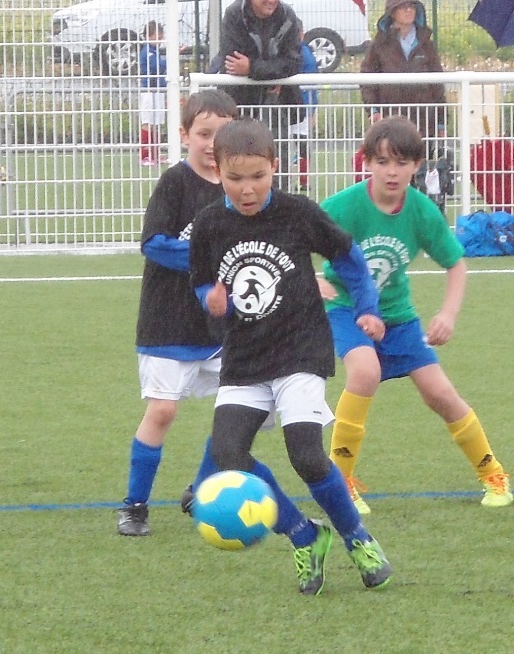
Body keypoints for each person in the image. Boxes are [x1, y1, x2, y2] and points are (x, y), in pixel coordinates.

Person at [187, 117, 392, 595]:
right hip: (244, 357)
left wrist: (367, 307)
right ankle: (303, 535)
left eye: (258, 176)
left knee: (306, 456)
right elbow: (201, 281)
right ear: (217, 171)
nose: (248, 188)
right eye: (235, 178)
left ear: (274, 167)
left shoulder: (298, 212)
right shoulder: (209, 224)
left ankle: (358, 539)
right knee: (228, 454)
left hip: (301, 350)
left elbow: (348, 257)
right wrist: (210, 301)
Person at [321, 116, 513, 514]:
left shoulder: (422, 211)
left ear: (417, 165)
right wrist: (311, 281)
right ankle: (341, 485)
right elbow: (291, 241)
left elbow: (456, 264)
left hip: (398, 318)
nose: (392, 172)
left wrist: (448, 314)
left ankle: (493, 474)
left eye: (402, 162)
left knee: (440, 394)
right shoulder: (342, 207)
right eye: (383, 161)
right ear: (366, 162)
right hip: (347, 310)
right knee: (364, 373)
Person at [117, 89, 238, 537]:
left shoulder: (239, 187)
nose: (211, 143)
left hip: (221, 328)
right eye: (203, 133)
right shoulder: (175, 182)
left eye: (222, 135)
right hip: (168, 323)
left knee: (243, 410)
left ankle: (201, 487)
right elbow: (153, 243)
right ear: (185, 134)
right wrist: (206, 258)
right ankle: (134, 505)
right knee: (163, 411)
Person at [213, 0, 302, 190]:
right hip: (240, 104)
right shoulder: (234, 14)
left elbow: (293, 63)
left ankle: (278, 201)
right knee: (237, 157)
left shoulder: (288, 16)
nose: (272, 1)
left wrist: (252, 68)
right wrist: (272, 74)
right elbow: (232, 62)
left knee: (278, 161)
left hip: (278, 104)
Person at [360, 0, 446, 149]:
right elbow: (367, 77)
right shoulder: (380, 44)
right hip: (390, 120)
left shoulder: (426, 43)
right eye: (403, 7)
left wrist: (441, 121)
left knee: (421, 159)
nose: (408, 10)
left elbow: (437, 84)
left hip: (424, 119)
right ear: (392, 13)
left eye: (412, 6)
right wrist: (373, 109)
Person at [287, 26, 317, 192]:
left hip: (296, 105)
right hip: (301, 105)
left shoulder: (299, 52)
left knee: (293, 142)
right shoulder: (306, 51)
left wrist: (310, 108)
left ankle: (296, 179)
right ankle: (303, 181)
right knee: (300, 143)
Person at [138, 21, 167, 167]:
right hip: (149, 90)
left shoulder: (155, 51)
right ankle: (145, 156)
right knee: (148, 122)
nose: (160, 41)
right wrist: (170, 59)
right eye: (158, 37)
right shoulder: (147, 51)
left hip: (158, 90)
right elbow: (156, 67)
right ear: (149, 36)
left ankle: (155, 154)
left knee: (157, 122)